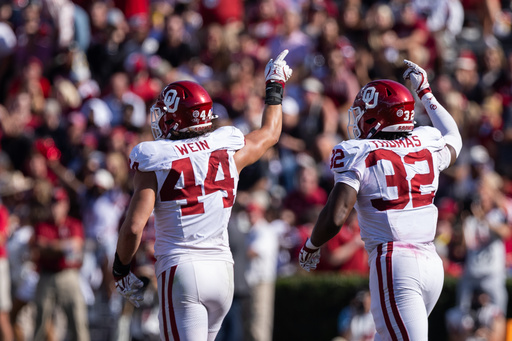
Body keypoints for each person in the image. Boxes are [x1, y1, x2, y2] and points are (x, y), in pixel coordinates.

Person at [112, 50, 292, 340]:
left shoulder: (155, 158)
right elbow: (270, 133)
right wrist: (274, 83)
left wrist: (120, 269)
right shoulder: (227, 150)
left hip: (182, 269)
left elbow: (134, 226)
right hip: (222, 271)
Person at [299, 59, 463, 340]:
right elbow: (454, 138)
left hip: (395, 261)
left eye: (363, 113)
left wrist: (312, 245)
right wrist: (425, 92)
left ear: (378, 118)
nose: (358, 120)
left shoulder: (359, 151)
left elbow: (337, 215)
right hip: (431, 262)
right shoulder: (425, 141)